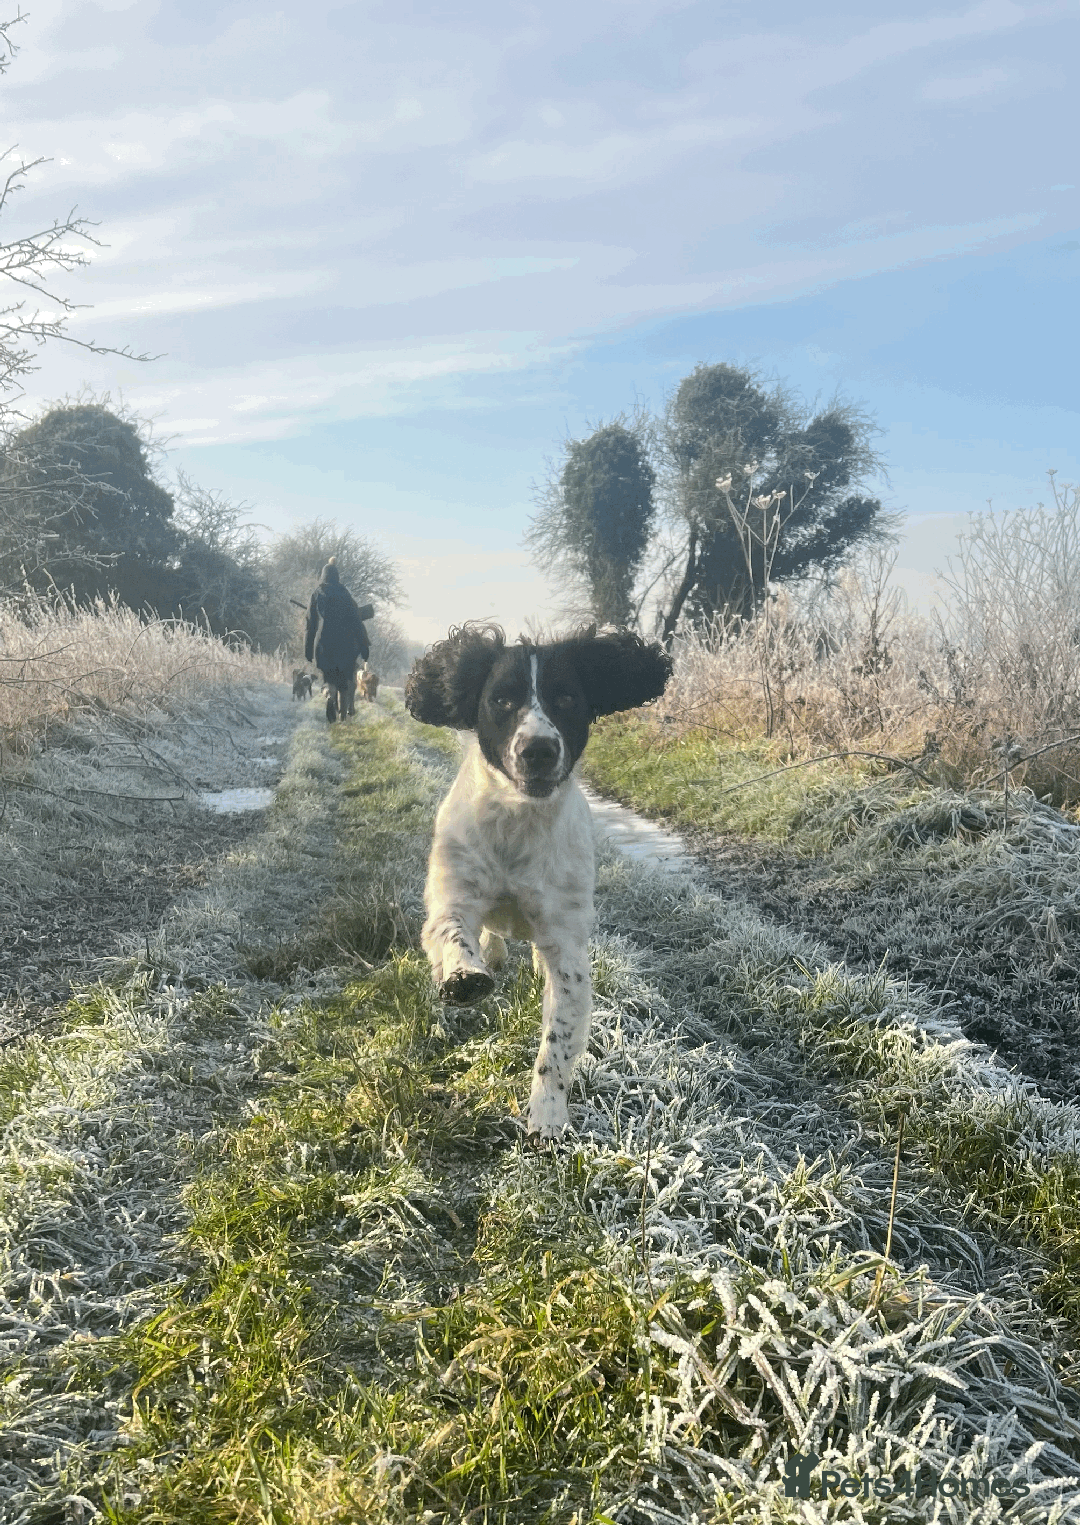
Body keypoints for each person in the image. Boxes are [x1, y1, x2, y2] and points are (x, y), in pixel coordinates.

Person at [304, 558, 373, 722]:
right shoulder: (345, 594)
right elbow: (357, 622)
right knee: (344, 680)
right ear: (337, 577)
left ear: (323, 576)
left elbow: (310, 625)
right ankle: (343, 716)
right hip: (346, 646)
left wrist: (308, 650)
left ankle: (329, 694)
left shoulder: (316, 594)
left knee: (329, 679)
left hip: (324, 646)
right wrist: (364, 647)